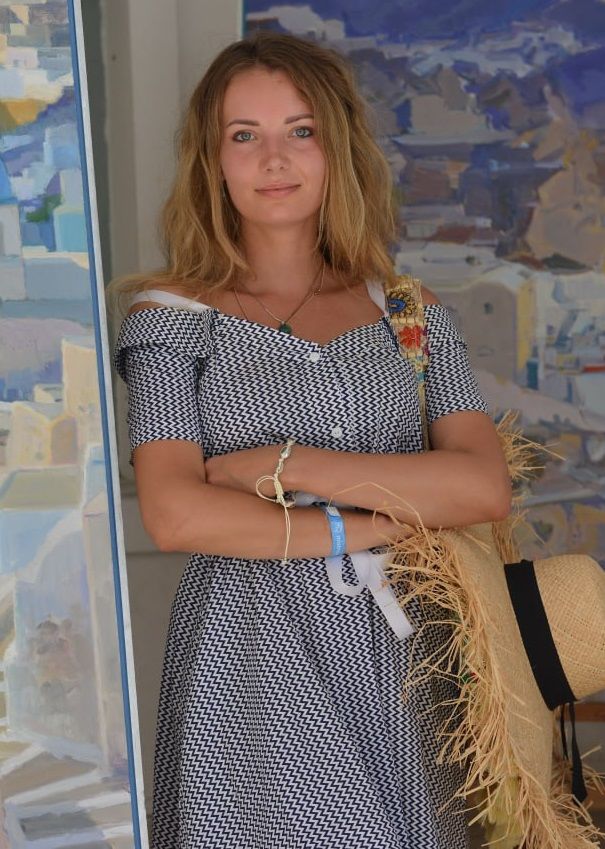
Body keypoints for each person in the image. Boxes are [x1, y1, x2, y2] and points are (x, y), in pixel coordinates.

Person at [111, 30, 511, 849]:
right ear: (212, 160)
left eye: (301, 130)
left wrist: (285, 466)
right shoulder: (170, 318)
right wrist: (360, 525)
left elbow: (480, 487)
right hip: (251, 651)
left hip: (410, 653)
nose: (274, 158)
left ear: (337, 149)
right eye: (244, 135)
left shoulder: (409, 312)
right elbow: (175, 513)